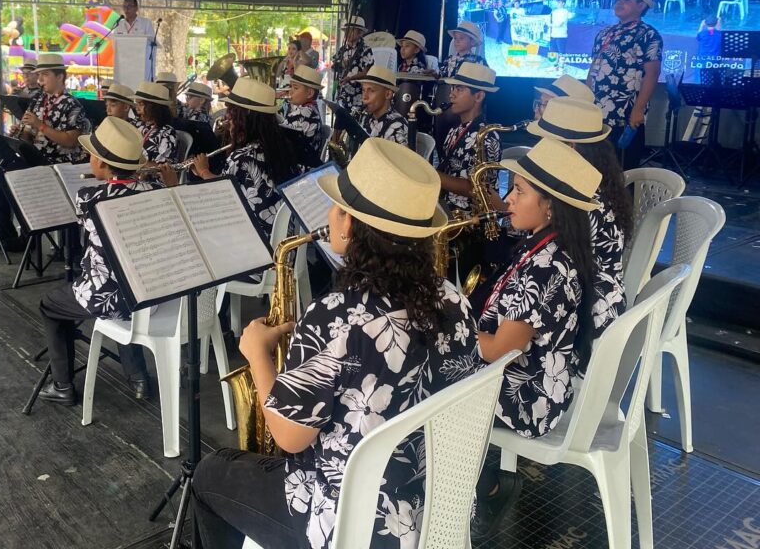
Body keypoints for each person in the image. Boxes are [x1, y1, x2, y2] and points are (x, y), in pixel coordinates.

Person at [190, 138, 479, 549]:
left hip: (352, 524)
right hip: (436, 505)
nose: (330, 215)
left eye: (338, 207)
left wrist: (256, 353)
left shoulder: (336, 314)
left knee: (210, 475)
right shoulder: (454, 299)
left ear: (349, 225)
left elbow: (290, 439)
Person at [471, 138, 601, 537]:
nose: (507, 199)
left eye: (519, 191)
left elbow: (495, 350)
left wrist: (454, 329)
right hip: (538, 379)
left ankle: (483, 488)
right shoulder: (548, 248)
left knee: (421, 384)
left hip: (529, 398)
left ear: (550, 206)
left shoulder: (546, 269)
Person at [37, 117, 157, 403]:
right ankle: (138, 378)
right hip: (149, 292)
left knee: (50, 306)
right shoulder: (156, 190)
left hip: (108, 296)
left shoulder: (88, 196)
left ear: (101, 164)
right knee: (125, 300)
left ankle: (62, 385)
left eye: (92, 155)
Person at [526, 98, 632, 339]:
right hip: (587, 303)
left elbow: (551, 272)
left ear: (570, 148)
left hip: (584, 319)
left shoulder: (584, 203)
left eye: (546, 142)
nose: (538, 148)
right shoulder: (599, 186)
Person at [0, 53, 90, 252]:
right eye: (39, 75)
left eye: (45, 75)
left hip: (60, 163)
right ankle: (5, 236)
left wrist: (40, 125)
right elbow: (28, 136)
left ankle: (29, 238)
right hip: (36, 158)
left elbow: (70, 141)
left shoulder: (72, 105)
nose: (40, 80)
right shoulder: (39, 101)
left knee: (16, 179)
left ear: (60, 76)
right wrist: (20, 134)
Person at [186, 77, 301, 232]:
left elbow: (219, 199)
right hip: (285, 240)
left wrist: (203, 171)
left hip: (255, 243)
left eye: (232, 112)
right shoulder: (284, 147)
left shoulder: (241, 158)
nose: (228, 118)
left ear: (245, 116)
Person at [586, 0, 662, 169]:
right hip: (596, 112)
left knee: (623, 170)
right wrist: (585, 99)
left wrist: (638, 110)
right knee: (594, 168)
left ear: (642, 5)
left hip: (625, 114)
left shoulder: (648, 35)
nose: (619, 3)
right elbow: (594, 66)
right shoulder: (605, 33)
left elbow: (652, 74)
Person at [437, 63, 501, 215]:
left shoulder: (488, 136)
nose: (451, 94)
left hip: (469, 219)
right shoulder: (456, 128)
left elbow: (478, 189)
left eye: (459, 89)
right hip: (447, 206)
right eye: (453, 88)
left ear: (478, 96)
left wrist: (432, 174)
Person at [331, 16, 373, 117]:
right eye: (346, 31)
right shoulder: (342, 50)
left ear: (360, 33)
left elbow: (367, 72)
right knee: (340, 120)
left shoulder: (365, 50)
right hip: (342, 92)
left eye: (351, 31)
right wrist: (341, 64)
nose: (347, 33)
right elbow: (334, 67)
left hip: (357, 93)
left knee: (353, 121)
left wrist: (350, 78)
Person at [280, 65, 325, 159]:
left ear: (309, 93)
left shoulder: (303, 113)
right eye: (291, 86)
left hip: (300, 167)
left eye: (295, 88)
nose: (290, 92)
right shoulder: (312, 108)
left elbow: (279, 137)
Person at [355, 66, 407, 146]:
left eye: (371, 91)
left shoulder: (398, 127)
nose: (364, 97)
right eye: (363, 90)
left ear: (388, 94)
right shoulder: (367, 118)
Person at [133, 81, 178, 165]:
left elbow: (162, 167)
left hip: (147, 176)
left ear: (154, 107)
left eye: (141, 104)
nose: (137, 108)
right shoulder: (138, 124)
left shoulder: (167, 133)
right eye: (137, 104)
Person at [113, 0, 157, 76]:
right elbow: (114, 43)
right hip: (124, 65)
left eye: (129, 6)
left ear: (136, 8)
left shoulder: (146, 23)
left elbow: (152, 42)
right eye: (125, 6)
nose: (126, 9)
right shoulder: (119, 24)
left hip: (141, 65)